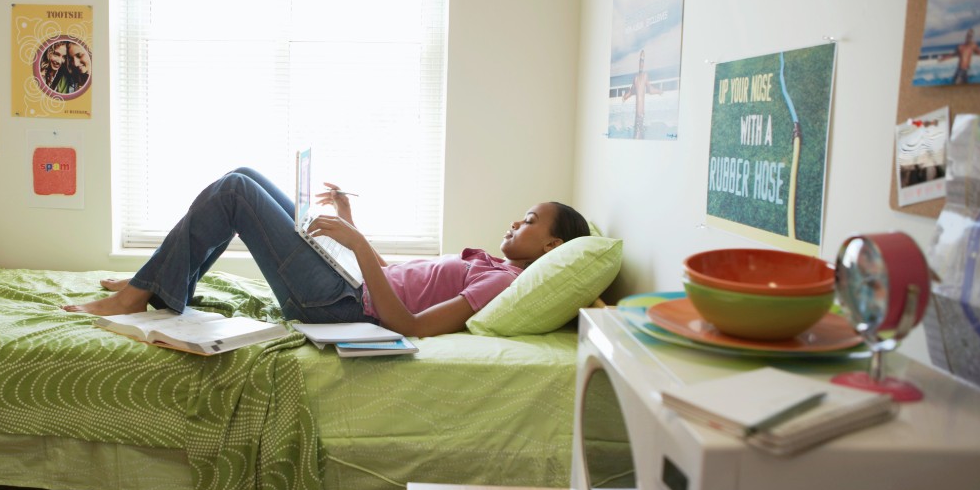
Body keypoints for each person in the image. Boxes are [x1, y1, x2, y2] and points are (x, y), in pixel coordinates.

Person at [64, 167, 591, 337]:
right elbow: (400, 279)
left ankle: (143, 294)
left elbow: (410, 325)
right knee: (245, 177)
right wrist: (352, 224)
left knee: (234, 192)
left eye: (529, 220)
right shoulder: (495, 266)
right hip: (350, 288)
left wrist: (355, 245)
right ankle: (160, 285)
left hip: (340, 306)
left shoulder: (505, 281)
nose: (515, 222)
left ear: (552, 246)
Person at [621, 49, 661, 139]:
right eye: (640, 61)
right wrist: (625, 97)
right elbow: (632, 91)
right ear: (638, 63)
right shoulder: (635, 78)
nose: (641, 63)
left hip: (641, 116)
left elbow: (650, 90)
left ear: (644, 63)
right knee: (638, 138)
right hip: (637, 116)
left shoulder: (645, 76)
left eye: (643, 61)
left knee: (639, 138)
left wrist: (659, 91)